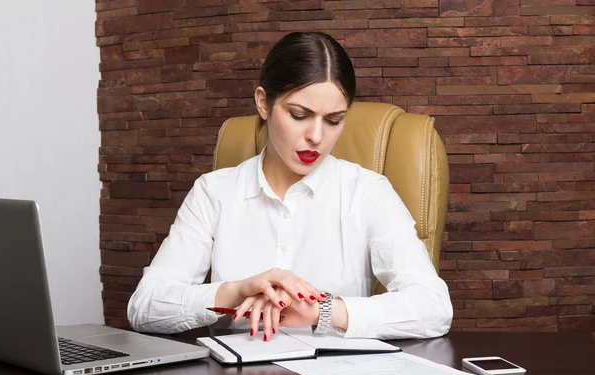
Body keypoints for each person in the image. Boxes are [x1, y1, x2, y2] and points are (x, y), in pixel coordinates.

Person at [127, 31, 453, 342]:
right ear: (263, 104)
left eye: (333, 120)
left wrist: (322, 311)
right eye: (299, 115)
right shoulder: (214, 192)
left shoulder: (368, 192)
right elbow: (145, 307)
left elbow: (434, 308)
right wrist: (235, 291)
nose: (316, 136)